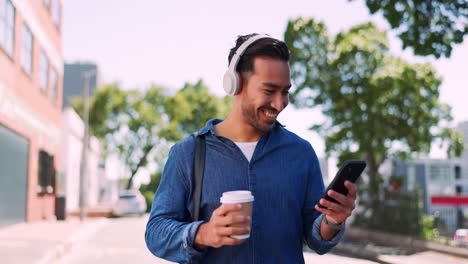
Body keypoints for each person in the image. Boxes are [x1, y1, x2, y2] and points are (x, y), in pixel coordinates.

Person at [145, 33, 358, 264]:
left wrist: (333, 220)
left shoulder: (301, 153)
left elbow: (316, 239)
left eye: (285, 91)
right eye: (269, 91)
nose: (279, 104)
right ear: (235, 83)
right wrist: (204, 233)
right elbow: (156, 232)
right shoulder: (188, 153)